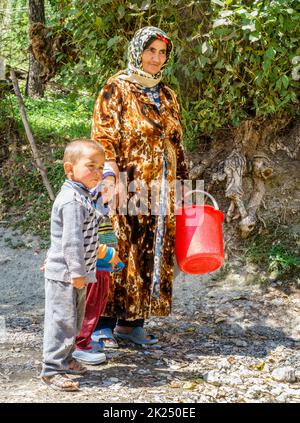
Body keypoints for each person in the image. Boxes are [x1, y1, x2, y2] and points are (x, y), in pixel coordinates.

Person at [91, 26, 189, 346]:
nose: (156, 58)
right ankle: (103, 322)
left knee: (151, 251)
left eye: (162, 53)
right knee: (120, 250)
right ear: (138, 51)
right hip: (125, 185)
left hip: (162, 189)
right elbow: (104, 138)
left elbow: (177, 143)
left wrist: (184, 184)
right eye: (151, 51)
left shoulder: (168, 95)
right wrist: (110, 177)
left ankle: (133, 323)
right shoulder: (115, 89)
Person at [41, 139, 106, 392]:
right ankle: (51, 369)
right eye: (91, 166)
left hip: (78, 274)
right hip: (67, 274)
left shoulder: (83, 195)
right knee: (61, 322)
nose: (98, 172)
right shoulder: (71, 200)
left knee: (75, 320)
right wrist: (77, 272)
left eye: (101, 167)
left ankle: (67, 359)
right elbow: (70, 241)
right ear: (70, 169)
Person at [73, 164, 124, 362]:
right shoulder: (89, 210)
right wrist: (110, 254)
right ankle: (80, 343)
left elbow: (107, 238)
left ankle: (84, 340)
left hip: (103, 269)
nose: (108, 192)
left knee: (97, 306)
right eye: (104, 186)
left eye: (111, 186)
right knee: (88, 307)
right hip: (92, 269)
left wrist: (114, 260)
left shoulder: (104, 212)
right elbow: (90, 242)